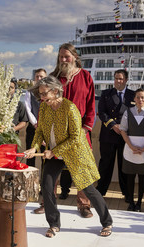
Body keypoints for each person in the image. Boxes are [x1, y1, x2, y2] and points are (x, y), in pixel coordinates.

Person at [24, 76, 113, 237]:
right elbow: (40, 132)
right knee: (47, 185)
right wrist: (34, 147)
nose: (41, 98)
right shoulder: (44, 108)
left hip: (75, 154)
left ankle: (107, 222)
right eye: (40, 95)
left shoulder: (70, 108)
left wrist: (54, 151)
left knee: (89, 190)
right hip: (55, 155)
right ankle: (54, 224)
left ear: (56, 91)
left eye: (44, 94)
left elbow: (75, 138)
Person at [49, 43, 96, 218]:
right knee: (52, 170)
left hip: (80, 133)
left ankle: (84, 205)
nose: (63, 60)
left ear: (75, 57)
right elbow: (45, 106)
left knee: (81, 170)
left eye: (66, 56)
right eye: (60, 56)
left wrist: (85, 129)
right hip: (56, 132)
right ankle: (48, 201)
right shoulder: (53, 78)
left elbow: (91, 105)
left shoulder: (86, 77)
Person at [96, 69, 135, 201]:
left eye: (121, 79)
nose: (118, 81)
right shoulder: (106, 94)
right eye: (116, 78)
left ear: (126, 80)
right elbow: (101, 112)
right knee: (105, 165)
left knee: (124, 165)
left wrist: (122, 127)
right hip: (109, 134)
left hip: (125, 136)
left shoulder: (133, 95)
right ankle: (100, 191)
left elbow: (134, 114)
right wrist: (113, 124)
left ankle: (127, 193)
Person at [120, 89, 144, 212]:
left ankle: (139, 202)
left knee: (142, 177)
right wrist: (131, 146)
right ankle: (131, 201)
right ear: (134, 99)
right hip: (130, 149)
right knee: (130, 177)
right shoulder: (127, 112)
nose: (140, 100)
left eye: (142, 97)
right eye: (138, 97)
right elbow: (123, 130)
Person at [24, 68, 47, 167]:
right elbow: (28, 108)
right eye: (37, 76)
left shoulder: (49, 92)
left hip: (46, 129)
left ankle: (44, 181)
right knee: (30, 156)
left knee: (44, 157)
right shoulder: (29, 92)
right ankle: (30, 181)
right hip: (32, 128)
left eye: (41, 76)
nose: (39, 78)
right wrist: (35, 123)